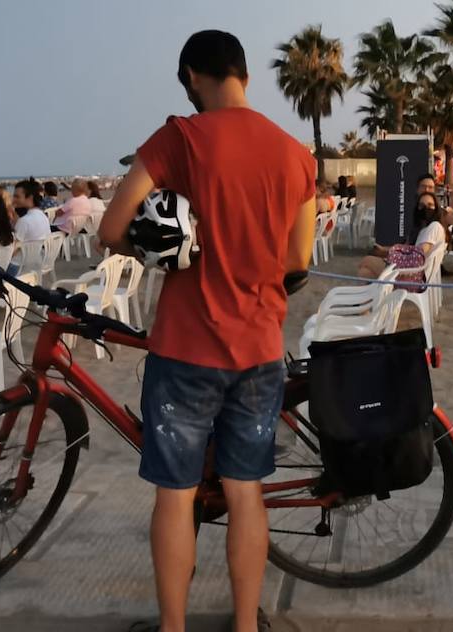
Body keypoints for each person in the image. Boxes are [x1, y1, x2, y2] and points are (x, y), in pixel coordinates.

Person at [97, 29, 316, 632]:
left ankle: (174, 627)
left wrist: (159, 250)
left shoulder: (181, 138)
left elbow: (111, 230)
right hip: (260, 350)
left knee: (176, 494)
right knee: (246, 492)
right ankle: (245, 624)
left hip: (186, 351)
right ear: (244, 74)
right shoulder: (295, 154)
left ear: (193, 76)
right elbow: (298, 258)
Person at [357, 191, 449, 278]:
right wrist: (385, 250)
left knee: (367, 260)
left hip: (414, 276)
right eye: (422, 205)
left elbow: (419, 255)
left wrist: (391, 256)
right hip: (411, 272)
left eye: (430, 205)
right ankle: (377, 290)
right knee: (364, 272)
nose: (425, 209)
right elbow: (410, 249)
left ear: (436, 208)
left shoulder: (434, 226)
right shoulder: (423, 229)